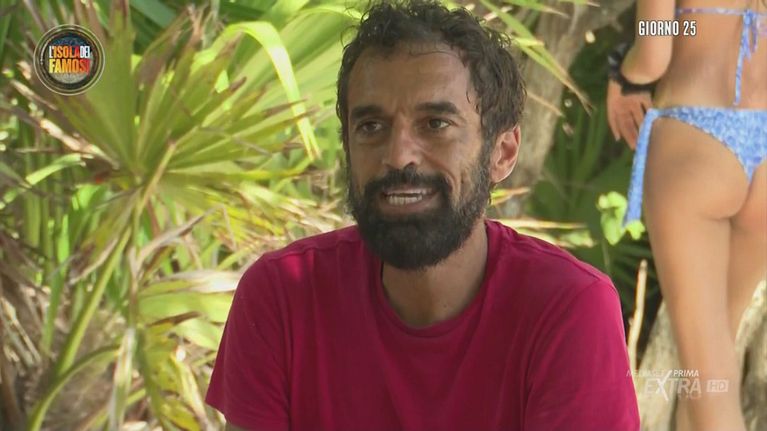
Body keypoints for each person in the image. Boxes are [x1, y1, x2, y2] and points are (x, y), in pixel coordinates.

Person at [206, 1, 640, 430]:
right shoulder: (281, 297)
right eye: (371, 127)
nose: (398, 156)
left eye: (435, 124)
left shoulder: (568, 308)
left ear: (503, 153)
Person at [606, 0, 767, 430]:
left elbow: (655, 51)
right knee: (712, 366)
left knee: (710, 384)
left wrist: (624, 72)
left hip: (696, 134)